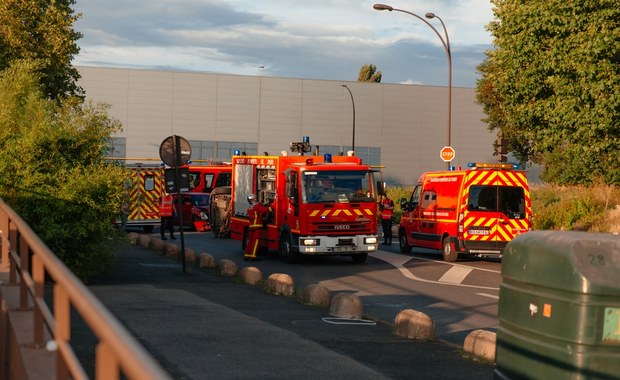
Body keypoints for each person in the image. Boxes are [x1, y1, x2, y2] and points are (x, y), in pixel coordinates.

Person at [244, 194, 272, 261]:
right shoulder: (257, 206)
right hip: (257, 226)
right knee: (255, 242)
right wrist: (272, 206)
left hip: (251, 227)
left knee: (250, 241)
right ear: (254, 199)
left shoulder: (250, 208)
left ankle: (247, 255)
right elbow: (265, 210)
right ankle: (253, 256)